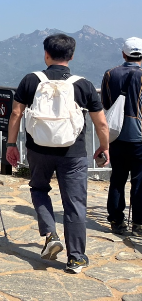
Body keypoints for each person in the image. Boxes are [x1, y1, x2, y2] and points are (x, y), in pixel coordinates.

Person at [6, 34, 109, 274]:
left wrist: (11, 145)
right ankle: (76, 258)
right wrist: (104, 147)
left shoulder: (31, 80)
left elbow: (15, 114)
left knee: (39, 189)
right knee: (74, 203)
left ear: (46, 54)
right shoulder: (82, 84)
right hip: (73, 152)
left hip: (38, 149)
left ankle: (51, 234)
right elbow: (101, 124)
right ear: (72, 56)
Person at [101, 37, 142, 235]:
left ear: (123, 54)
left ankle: (117, 221)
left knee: (117, 178)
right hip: (140, 136)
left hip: (115, 134)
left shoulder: (110, 74)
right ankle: (139, 223)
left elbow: (106, 104)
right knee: (140, 179)